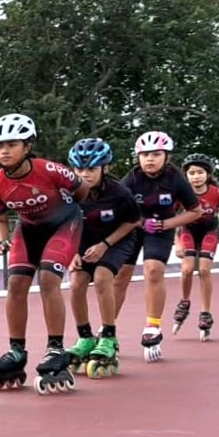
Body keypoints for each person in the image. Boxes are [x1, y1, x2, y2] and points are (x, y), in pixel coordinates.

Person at [0, 113, 89, 394]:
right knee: (16, 284)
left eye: (12, 144)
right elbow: (0, 217)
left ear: (28, 146)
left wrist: (74, 215)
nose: (3, 151)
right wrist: (1, 240)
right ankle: (16, 350)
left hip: (64, 225)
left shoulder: (51, 170)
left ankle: (55, 348)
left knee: (48, 280)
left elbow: (83, 191)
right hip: (28, 229)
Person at [113, 130, 201, 362]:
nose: (149, 159)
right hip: (132, 228)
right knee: (120, 275)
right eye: (144, 155)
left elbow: (195, 211)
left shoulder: (176, 179)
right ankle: (107, 329)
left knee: (153, 270)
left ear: (167, 157)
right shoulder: (131, 179)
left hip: (161, 228)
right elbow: (115, 207)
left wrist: (166, 224)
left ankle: (152, 326)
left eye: (155, 154)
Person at [64, 138, 141, 378]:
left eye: (91, 170)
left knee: (101, 277)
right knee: (76, 283)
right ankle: (85, 337)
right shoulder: (68, 193)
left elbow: (133, 221)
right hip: (82, 242)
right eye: (79, 169)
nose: (84, 175)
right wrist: (71, 253)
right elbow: (63, 224)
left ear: (104, 169)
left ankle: (108, 336)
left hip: (116, 239)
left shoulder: (119, 192)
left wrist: (105, 245)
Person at [172, 152, 219, 341]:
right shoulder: (182, 193)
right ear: (186, 175)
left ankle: (205, 312)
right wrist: (177, 241)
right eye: (191, 173)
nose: (196, 177)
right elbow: (171, 217)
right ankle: (184, 302)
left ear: (207, 174)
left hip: (209, 231)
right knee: (188, 268)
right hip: (188, 230)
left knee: (204, 271)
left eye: (200, 172)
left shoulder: (217, 193)